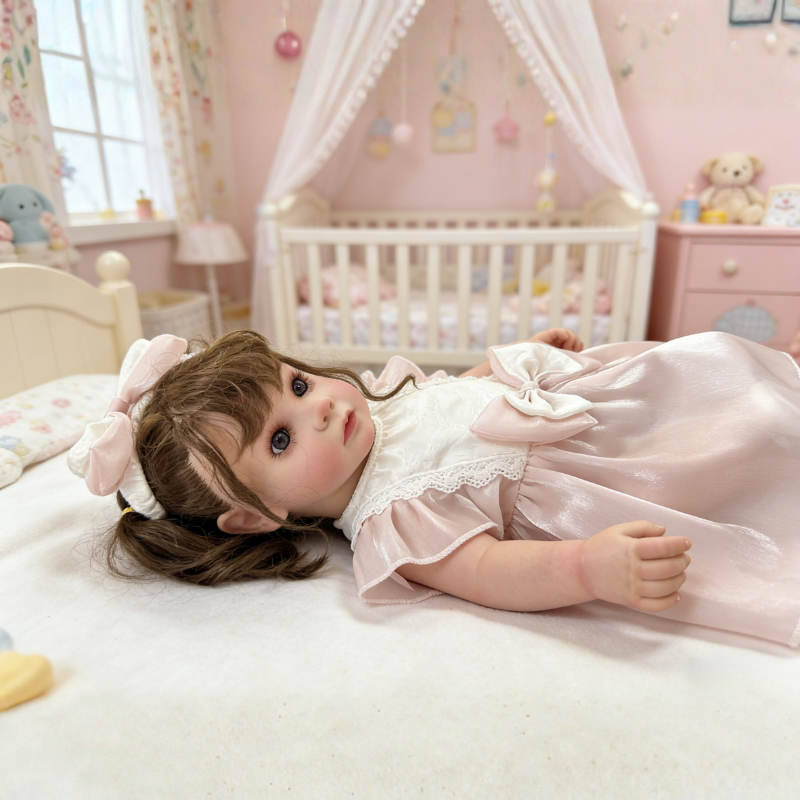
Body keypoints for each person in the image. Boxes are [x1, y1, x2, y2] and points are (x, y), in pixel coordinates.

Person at [69, 328, 800, 647]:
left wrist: (524, 353)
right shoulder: (393, 517)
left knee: (717, 369)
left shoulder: (379, 404)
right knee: (749, 446)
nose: (318, 405)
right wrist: (587, 566)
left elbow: (448, 396)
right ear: (257, 518)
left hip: (601, 402)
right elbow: (487, 570)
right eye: (280, 440)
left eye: (296, 385)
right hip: (611, 467)